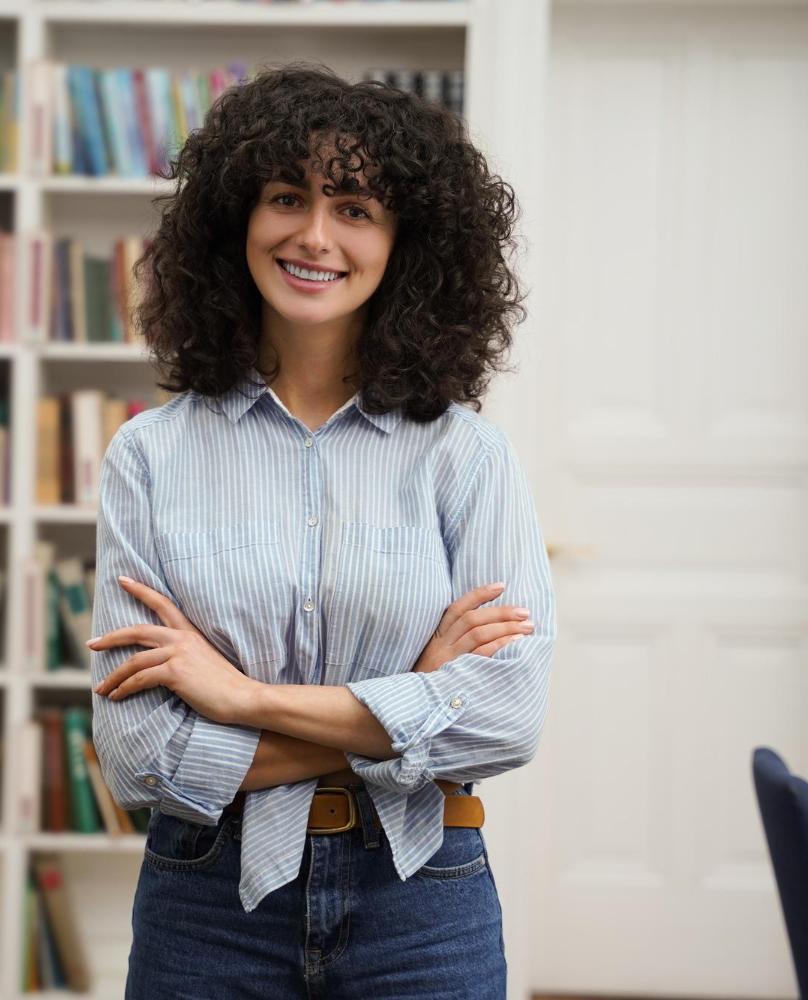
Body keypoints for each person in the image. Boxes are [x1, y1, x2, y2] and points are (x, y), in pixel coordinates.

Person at [86, 62, 556, 998]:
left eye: (355, 208)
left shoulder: (466, 457)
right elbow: (138, 755)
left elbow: (507, 715)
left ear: (403, 244)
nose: (314, 234)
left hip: (421, 901)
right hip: (207, 902)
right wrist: (414, 699)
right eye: (286, 198)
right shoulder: (150, 457)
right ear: (236, 223)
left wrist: (238, 697)